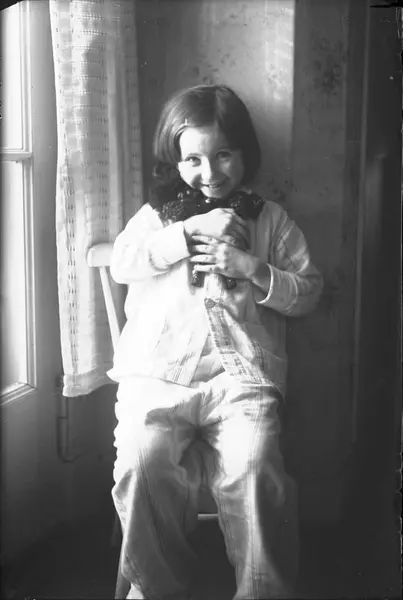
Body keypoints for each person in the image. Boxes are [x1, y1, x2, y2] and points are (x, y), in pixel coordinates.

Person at [108, 83, 323, 600]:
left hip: (240, 378)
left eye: (223, 154)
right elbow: (122, 262)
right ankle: (157, 587)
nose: (210, 172)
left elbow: (308, 292)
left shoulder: (270, 220)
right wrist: (186, 233)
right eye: (193, 160)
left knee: (255, 462)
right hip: (159, 376)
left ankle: (261, 589)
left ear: (245, 151)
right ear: (175, 161)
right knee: (142, 460)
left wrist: (252, 268)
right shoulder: (159, 215)